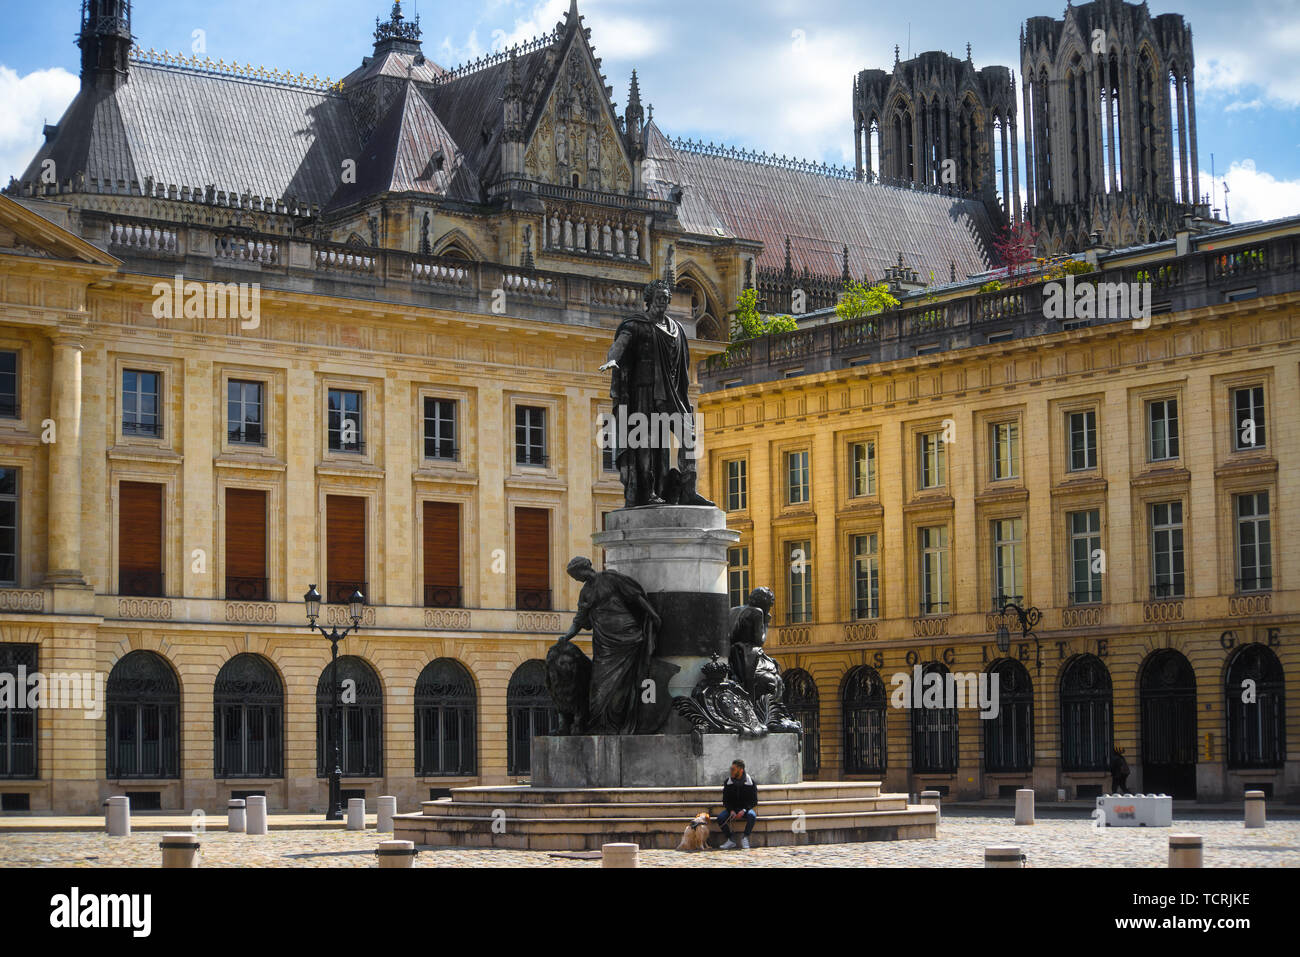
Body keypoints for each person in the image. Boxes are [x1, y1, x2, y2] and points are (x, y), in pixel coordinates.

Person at [599, 280, 713, 509]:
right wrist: (612, 358)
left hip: (671, 393)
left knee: (688, 435)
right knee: (646, 440)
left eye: (665, 296)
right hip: (644, 390)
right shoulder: (636, 325)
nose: (662, 300)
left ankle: (689, 489)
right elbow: (621, 344)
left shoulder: (676, 328)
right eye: (658, 297)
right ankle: (648, 491)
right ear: (649, 299)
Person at [554, 557, 660, 734]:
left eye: (575, 575)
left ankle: (614, 723)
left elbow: (635, 596)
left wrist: (653, 614)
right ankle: (603, 725)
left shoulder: (610, 578)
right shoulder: (585, 592)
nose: (575, 579)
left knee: (623, 682)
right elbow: (579, 620)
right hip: (604, 643)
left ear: (584, 569)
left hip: (627, 635)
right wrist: (566, 637)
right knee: (598, 686)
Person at [717, 759, 758, 850]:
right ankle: (730, 840)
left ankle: (745, 837)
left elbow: (754, 801)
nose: (731, 771)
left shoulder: (750, 782)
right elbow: (725, 800)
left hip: (745, 809)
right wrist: (731, 810)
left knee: (752, 816)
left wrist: (744, 810)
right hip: (732, 809)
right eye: (731, 769)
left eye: (733, 769)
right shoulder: (728, 782)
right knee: (720, 818)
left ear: (741, 770)